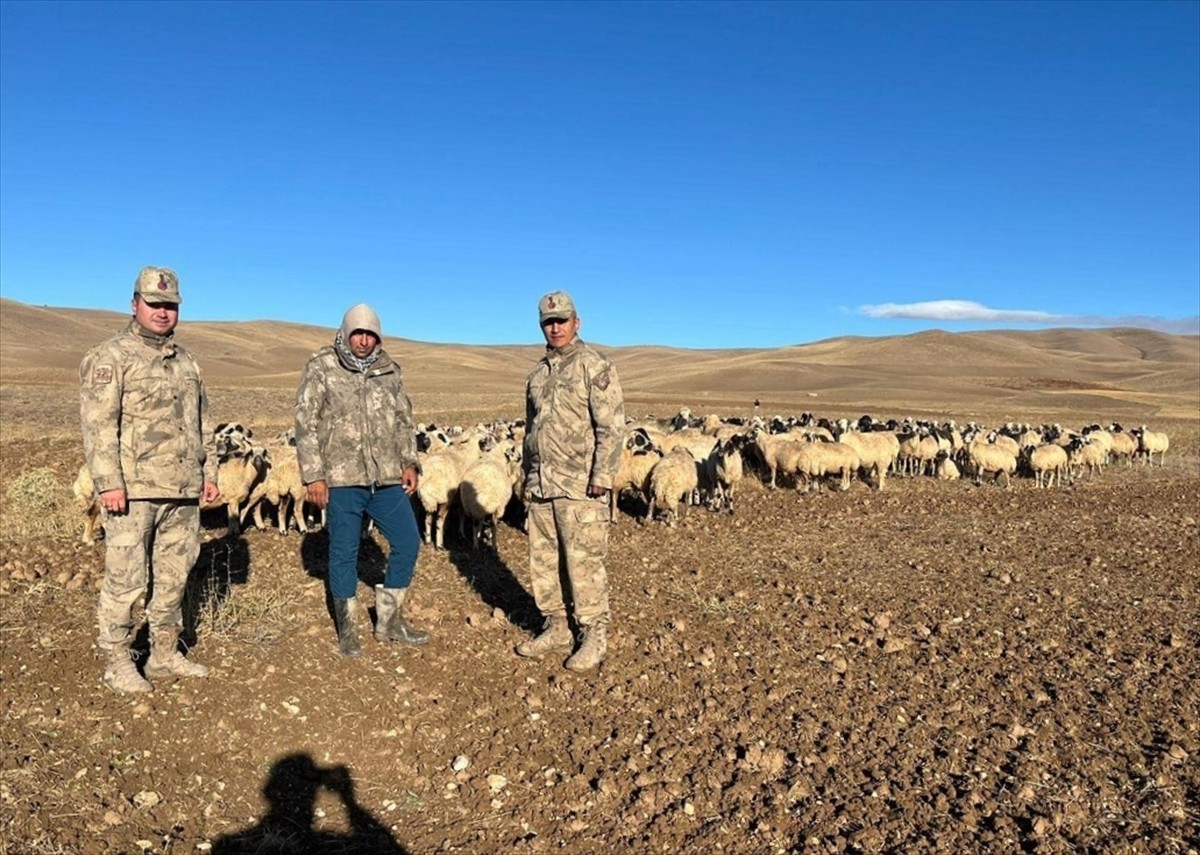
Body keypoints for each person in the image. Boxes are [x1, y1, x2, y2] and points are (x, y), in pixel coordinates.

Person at [79, 266, 220, 694]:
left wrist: (208, 473)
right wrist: (108, 483)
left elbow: (203, 422)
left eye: (170, 305)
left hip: (182, 489)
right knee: (126, 579)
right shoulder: (110, 358)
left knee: (175, 574)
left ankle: (162, 653)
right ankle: (118, 661)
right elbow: (98, 425)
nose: (163, 312)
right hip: (133, 492)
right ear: (134, 303)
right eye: (155, 304)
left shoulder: (187, 362)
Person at [294, 303, 428, 657]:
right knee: (343, 552)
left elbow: (402, 420)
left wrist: (410, 462)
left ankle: (390, 620)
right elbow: (305, 423)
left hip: (385, 476)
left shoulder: (389, 371)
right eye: (358, 333)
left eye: (371, 334)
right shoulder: (322, 366)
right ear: (345, 332)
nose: (365, 340)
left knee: (408, 541)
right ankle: (348, 628)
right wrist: (314, 476)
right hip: (342, 478)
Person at [517, 290, 624, 671]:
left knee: (583, 563)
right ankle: (557, 625)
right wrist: (525, 477)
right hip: (541, 485)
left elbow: (611, 426)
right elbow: (532, 430)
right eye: (549, 322)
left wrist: (602, 476)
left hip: (580, 486)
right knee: (544, 563)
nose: (556, 327)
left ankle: (593, 632)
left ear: (576, 323)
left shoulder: (595, 366)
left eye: (562, 320)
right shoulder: (537, 375)